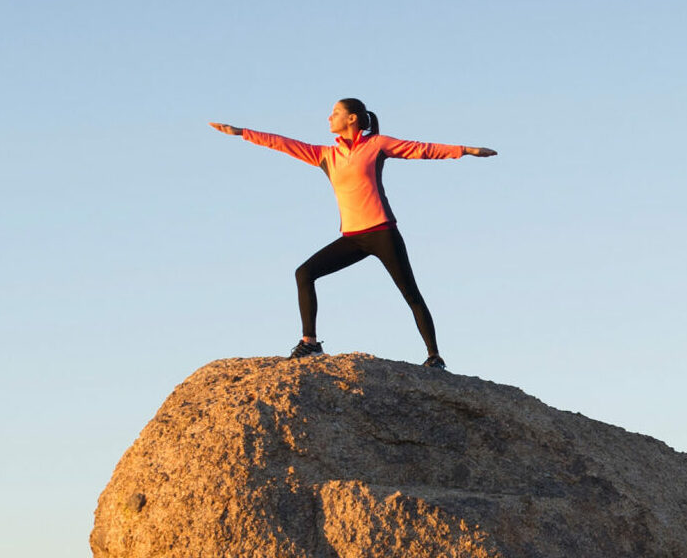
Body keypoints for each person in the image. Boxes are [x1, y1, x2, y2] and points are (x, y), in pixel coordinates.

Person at [211, 98, 496, 369]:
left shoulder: (376, 145)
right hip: (353, 238)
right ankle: (309, 342)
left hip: (383, 233)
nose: (329, 117)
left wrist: (464, 150)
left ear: (352, 118)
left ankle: (434, 356)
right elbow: (285, 144)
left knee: (410, 294)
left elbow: (419, 148)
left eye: (335, 112)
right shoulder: (327, 155)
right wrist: (241, 133)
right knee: (304, 273)